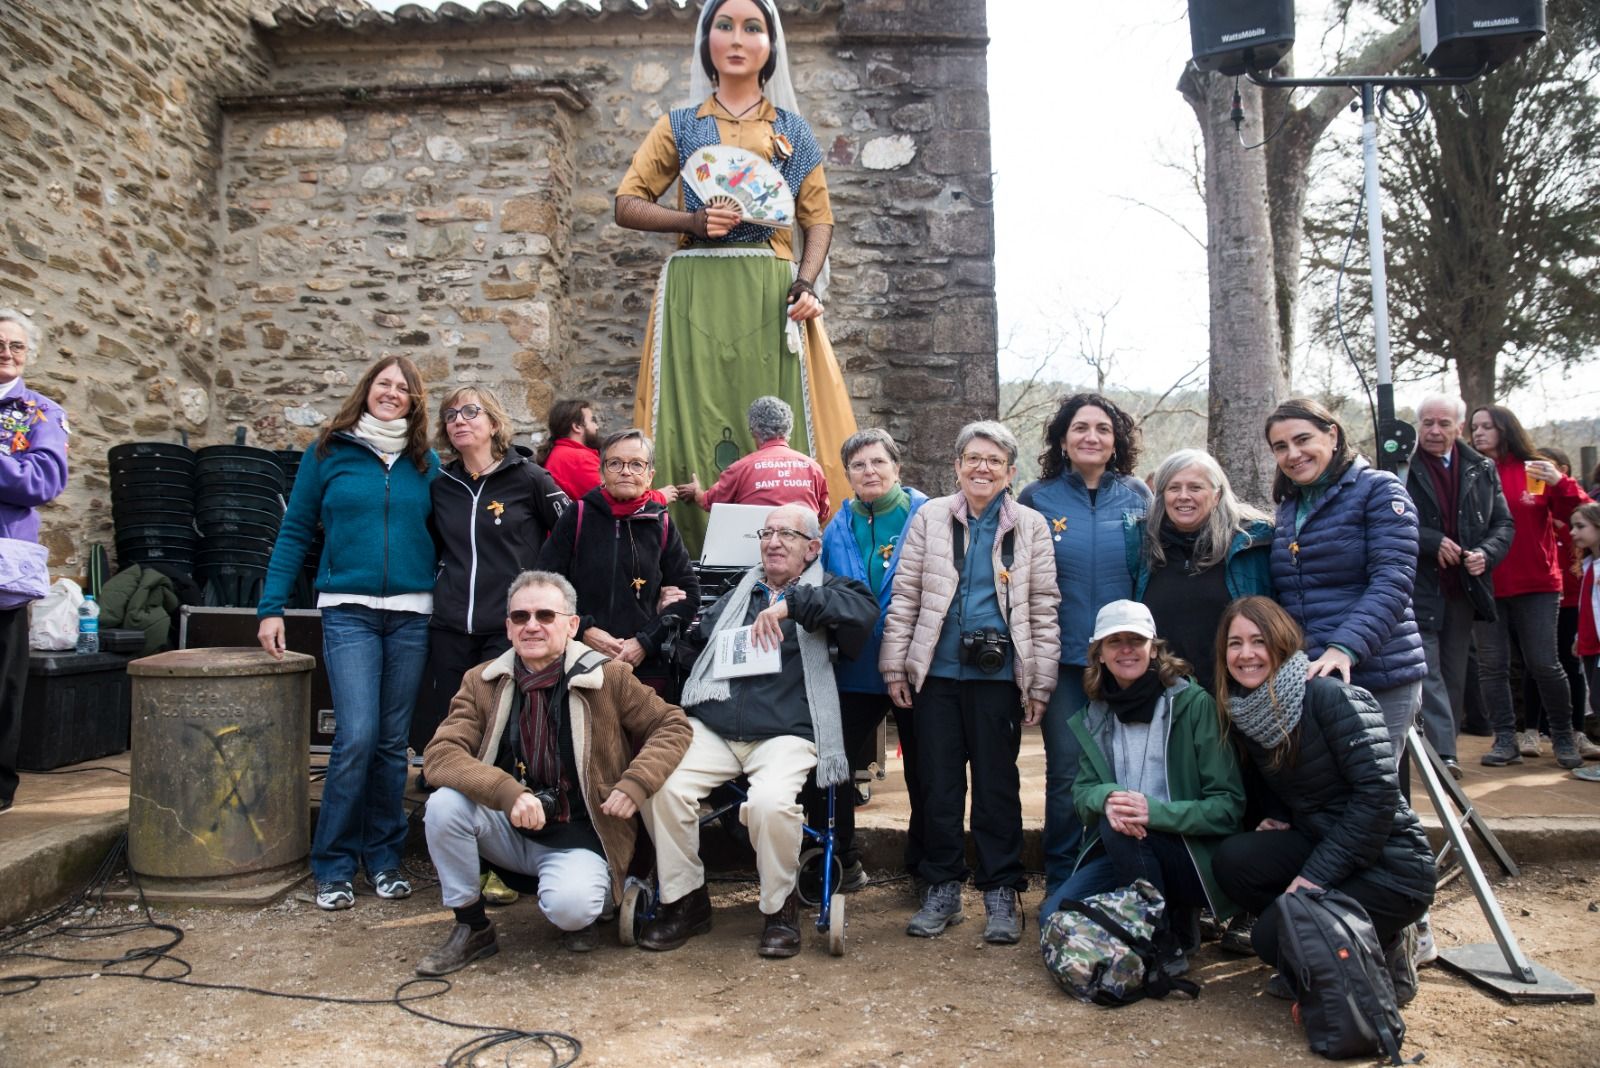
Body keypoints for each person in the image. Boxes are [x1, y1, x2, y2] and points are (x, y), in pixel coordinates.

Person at [616, 0, 856, 550]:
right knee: (686, 415)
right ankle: (677, 551)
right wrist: (691, 219)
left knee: (780, 408)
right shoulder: (680, 125)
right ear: (707, 41)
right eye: (724, 25)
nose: (738, 38)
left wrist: (806, 281)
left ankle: (789, 545)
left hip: (770, 287)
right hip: (693, 289)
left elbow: (817, 220)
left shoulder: (792, 131)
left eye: (753, 27)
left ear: (771, 45)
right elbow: (628, 203)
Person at [414, 571, 692, 972]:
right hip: (508, 827)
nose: (532, 625)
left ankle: (585, 903)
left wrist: (637, 782)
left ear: (572, 625)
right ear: (508, 627)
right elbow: (440, 754)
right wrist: (506, 792)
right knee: (443, 807)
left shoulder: (608, 677)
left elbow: (672, 725)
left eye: (546, 615)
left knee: (572, 910)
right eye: (520, 616)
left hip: (581, 834)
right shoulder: (482, 680)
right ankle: (472, 926)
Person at [639, 503, 876, 957]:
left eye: (786, 534)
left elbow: (862, 615)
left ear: (813, 547)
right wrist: (678, 627)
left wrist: (791, 606)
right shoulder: (739, 593)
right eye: (766, 534)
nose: (772, 542)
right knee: (661, 786)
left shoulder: (831, 589)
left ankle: (779, 909)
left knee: (769, 803)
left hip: (786, 732)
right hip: (717, 724)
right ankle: (685, 900)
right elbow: (698, 646)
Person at [257, 356, 439, 911]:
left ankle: (383, 858)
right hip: (349, 611)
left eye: (403, 388)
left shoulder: (424, 461)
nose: (392, 393)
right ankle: (333, 864)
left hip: (412, 613)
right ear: (367, 390)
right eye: (384, 383)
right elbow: (293, 530)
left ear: (414, 400)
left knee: (392, 745)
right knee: (355, 737)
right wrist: (270, 607)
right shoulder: (328, 450)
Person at [880, 421, 1060, 945]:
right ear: (956, 466)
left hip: (999, 677)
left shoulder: (1030, 525)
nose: (983, 468)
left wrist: (1040, 683)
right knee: (937, 783)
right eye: (973, 459)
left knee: (997, 785)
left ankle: (1001, 890)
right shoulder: (929, 518)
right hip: (935, 672)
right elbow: (906, 595)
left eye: (994, 461)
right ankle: (941, 886)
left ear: (1010, 471)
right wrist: (896, 666)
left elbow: (1044, 607)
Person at [1212, 597, 1436, 1003]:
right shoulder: (1250, 711)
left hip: (1392, 866)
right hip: (1322, 840)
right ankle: (1318, 945)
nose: (1246, 654)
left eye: (1258, 641)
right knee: (1234, 861)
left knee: (1268, 938)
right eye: (1235, 643)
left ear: (1281, 643)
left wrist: (1315, 877)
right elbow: (1289, 780)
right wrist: (1278, 816)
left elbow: (1378, 796)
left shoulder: (1329, 696)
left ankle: (1384, 943)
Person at [1040, 600, 1244, 973]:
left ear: (1154, 648)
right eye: (1114, 641)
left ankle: (1162, 942)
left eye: (1135, 639)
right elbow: (1084, 797)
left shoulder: (1193, 705)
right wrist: (1108, 797)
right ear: (1099, 654)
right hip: (1127, 852)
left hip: (1191, 855)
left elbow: (1228, 806)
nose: (1126, 649)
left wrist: (1153, 812)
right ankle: (1171, 920)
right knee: (1054, 915)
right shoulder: (1095, 715)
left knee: (1120, 820)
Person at [1016, 393, 1151, 905]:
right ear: (1062, 439)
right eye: (1080, 428)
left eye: (1102, 428)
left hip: (1128, 662)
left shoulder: (1139, 497)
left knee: (1128, 770)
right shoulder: (1037, 498)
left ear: (1117, 441)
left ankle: (1120, 873)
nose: (1091, 436)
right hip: (1065, 660)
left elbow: (1150, 571)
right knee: (1068, 772)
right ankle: (1064, 878)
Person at [1264, 398, 1426, 764]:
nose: (1293, 454)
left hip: (1377, 671)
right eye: (1281, 447)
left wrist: (1346, 647)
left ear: (1332, 435)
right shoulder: (1290, 507)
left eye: (1303, 439)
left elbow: (1393, 580)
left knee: (1369, 793)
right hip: (1315, 676)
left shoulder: (1379, 491)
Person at [418, 385, 569, 769]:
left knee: (499, 720)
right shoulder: (441, 485)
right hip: (450, 625)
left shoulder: (530, 478)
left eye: (470, 412)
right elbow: (435, 546)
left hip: (507, 625)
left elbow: (575, 536)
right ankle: (449, 784)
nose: (458, 421)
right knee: (452, 717)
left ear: (495, 422)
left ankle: (500, 798)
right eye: (450, 416)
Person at [807, 428, 929, 888]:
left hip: (916, 664)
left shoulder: (928, 516)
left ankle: (926, 868)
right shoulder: (835, 527)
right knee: (832, 765)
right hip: (855, 665)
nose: (869, 471)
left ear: (897, 467)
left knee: (926, 768)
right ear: (848, 475)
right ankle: (842, 862)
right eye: (858, 465)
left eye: (878, 462)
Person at [1468, 405, 1589, 769]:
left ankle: (1563, 737)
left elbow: (1584, 513)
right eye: (1474, 427)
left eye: (1487, 426)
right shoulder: (1469, 473)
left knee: (1545, 663)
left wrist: (1560, 482)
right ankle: (1505, 739)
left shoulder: (1534, 469)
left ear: (1506, 430)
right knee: (1492, 667)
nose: (1479, 433)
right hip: (1484, 584)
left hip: (1538, 584)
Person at [538, 429, 700, 697]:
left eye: (637, 464)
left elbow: (690, 595)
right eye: (615, 463)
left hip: (642, 669)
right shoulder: (577, 516)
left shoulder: (661, 524)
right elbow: (544, 585)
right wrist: (584, 630)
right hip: (579, 661)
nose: (626, 471)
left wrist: (644, 642)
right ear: (602, 472)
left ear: (650, 475)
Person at [1404, 395, 1515, 780]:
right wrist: (1432, 542)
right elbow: (1386, 521)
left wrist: (1487, 553)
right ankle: (1444, 754)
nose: (1435, 431)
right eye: (1427, 422)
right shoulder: (1402, 467)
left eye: (1444, 423)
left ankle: (1442, 748)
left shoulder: (1481, 468)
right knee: (1428, 671)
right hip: (1418, 585)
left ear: (1459, 427)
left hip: (1465, 588)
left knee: (1453, 671)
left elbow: (1504, 524)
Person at [1130, 448, 1274, 693]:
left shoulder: (1252, 544)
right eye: (1173, 488)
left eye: (1195, 488)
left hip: (1236, 693)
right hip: (1162, 696)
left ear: (1216, 495)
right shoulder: (1142, 544)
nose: (1183, 496)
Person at [0, 309, 69, 815]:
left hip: (2, 565)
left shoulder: (39, 411)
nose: (6, 353)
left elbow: (42, 481)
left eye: (16, 346)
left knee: (2, 681)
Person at [1519, 448, 1600, 759]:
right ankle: (1531, 730)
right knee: (1536, 663)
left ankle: (1574, 732)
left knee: (1571, 670)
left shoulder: (1572, 510)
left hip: (1571, 609)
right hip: (1548, 597)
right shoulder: (1538, 511)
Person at [679, 395, 829, 527]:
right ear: (788, 428)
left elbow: (709, 502)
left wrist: (696, 491)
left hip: (757, 552)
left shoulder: (740, 469)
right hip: (803, 553)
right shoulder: (813, 468)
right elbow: (822, 514)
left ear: (753, 431)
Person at [1568, 502, 1600, 756]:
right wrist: (1580, 636)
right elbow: (1587, 606)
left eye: (1581, 526)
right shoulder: (1589, 564)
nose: (1572, 532)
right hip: (1589, 646)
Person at [538, 398, 604, 503]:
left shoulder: (557, 453)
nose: (596, 426)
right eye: (592, 420)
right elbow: (609, 497)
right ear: (577, 427)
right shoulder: (580, 458)